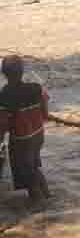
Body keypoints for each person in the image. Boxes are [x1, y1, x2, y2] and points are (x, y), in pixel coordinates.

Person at [0, 55, 51, 204]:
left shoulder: (4, 96)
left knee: (28, 175)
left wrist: (1, 140)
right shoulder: (36, 88)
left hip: (21, 141)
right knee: (33, 167)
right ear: (22, 72)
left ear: (4, 74)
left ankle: (42, 211)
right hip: (38, 135)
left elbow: (3, 124)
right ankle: (48, 199)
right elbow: (45, 113)